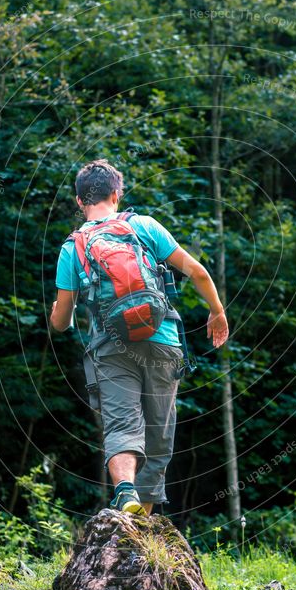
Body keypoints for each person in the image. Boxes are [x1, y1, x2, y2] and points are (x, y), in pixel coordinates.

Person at [50, 159, 229, 516]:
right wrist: (217, 311)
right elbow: (197, 272)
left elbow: (61, 322)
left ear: (78, 200)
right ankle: (143, 522)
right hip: (162, 340)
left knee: (121, 424)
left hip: (111, 347)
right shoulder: (143, 226)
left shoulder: (73, 248)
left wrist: (60, 309)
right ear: (116, 194)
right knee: (159, 432)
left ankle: (126, 493)